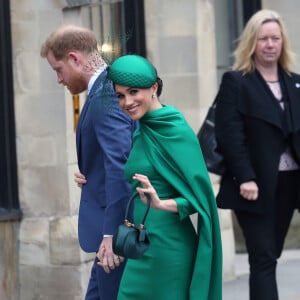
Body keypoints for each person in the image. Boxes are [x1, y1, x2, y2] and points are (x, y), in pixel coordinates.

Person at [106, 54, 222, 300]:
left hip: (170, 251)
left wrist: (161, 204)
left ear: (154, 87)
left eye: (133, 92)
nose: (127, 101)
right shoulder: (143, 129)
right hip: (141, 246)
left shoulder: (176, 131)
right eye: (120, 95)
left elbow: (201, 199)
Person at [40, 25, 137, 300]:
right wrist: (91, 173)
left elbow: (121, 165)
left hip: (114, 236)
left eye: (58, 70)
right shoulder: (106, 88)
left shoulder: (105, 94)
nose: (59, 79)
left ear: (74, 58)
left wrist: (112, 235)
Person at [214, 9, 300, 300]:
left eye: (275, 38)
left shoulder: (295, 82)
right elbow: (229, 135)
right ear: (252, 42)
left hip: (290, 184)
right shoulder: (237, 82)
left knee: (271, 254)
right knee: (262, 258)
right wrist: (245, 177)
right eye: (263, 38)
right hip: (254, 186)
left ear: (283, 42)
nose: (270, 44)